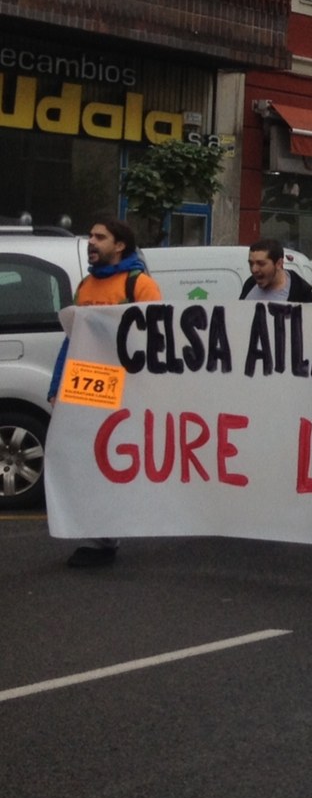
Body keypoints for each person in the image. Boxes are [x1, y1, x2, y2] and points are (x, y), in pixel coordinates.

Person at [52, 217, 162, 568]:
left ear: (120, 246)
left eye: (100, 237)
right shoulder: (85, 285)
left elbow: (157, 341)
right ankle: (101, 539)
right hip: (89, 381)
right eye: (91, 236)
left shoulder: (140, 284)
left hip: (126, 385)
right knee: (91, 458)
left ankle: (114, 529)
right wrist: (58, 385)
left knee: (121, 459)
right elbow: (71, 340)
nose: (91, 241)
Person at [239, 238, 312, 302]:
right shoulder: (250, 285)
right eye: (251, 263)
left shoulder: (300, 294)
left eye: (261, 264)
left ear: (279, 264)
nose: (254, 269)